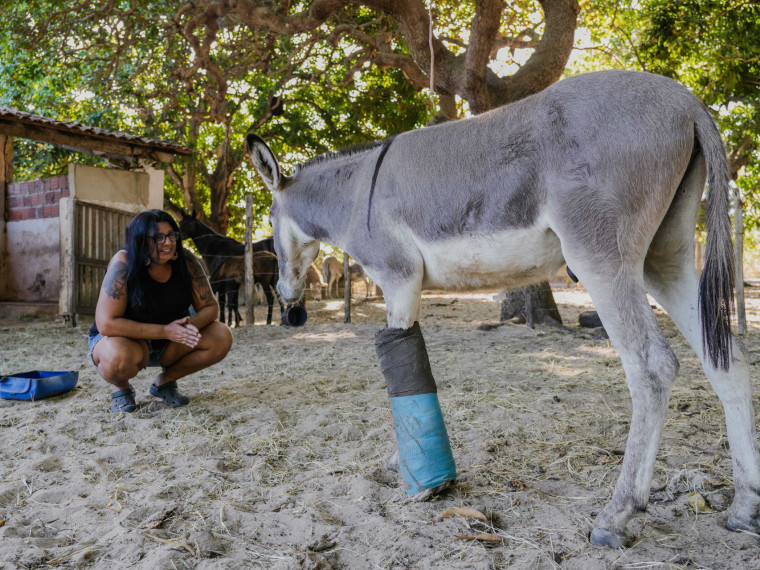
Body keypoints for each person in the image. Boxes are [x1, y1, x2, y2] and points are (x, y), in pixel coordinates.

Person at [88, 209, 233, 412]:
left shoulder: (187, 261)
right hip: (123, 341)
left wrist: (184, 329)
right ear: (140, 240)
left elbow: (210, 308)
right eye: (159, 237)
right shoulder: (124, 262)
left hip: (170, 342)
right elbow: (107, 324)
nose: (168, 242)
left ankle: (164, 382)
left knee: (221, 336)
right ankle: (121, 387)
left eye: (172, 235)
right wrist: (165, 331)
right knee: (117, 357)